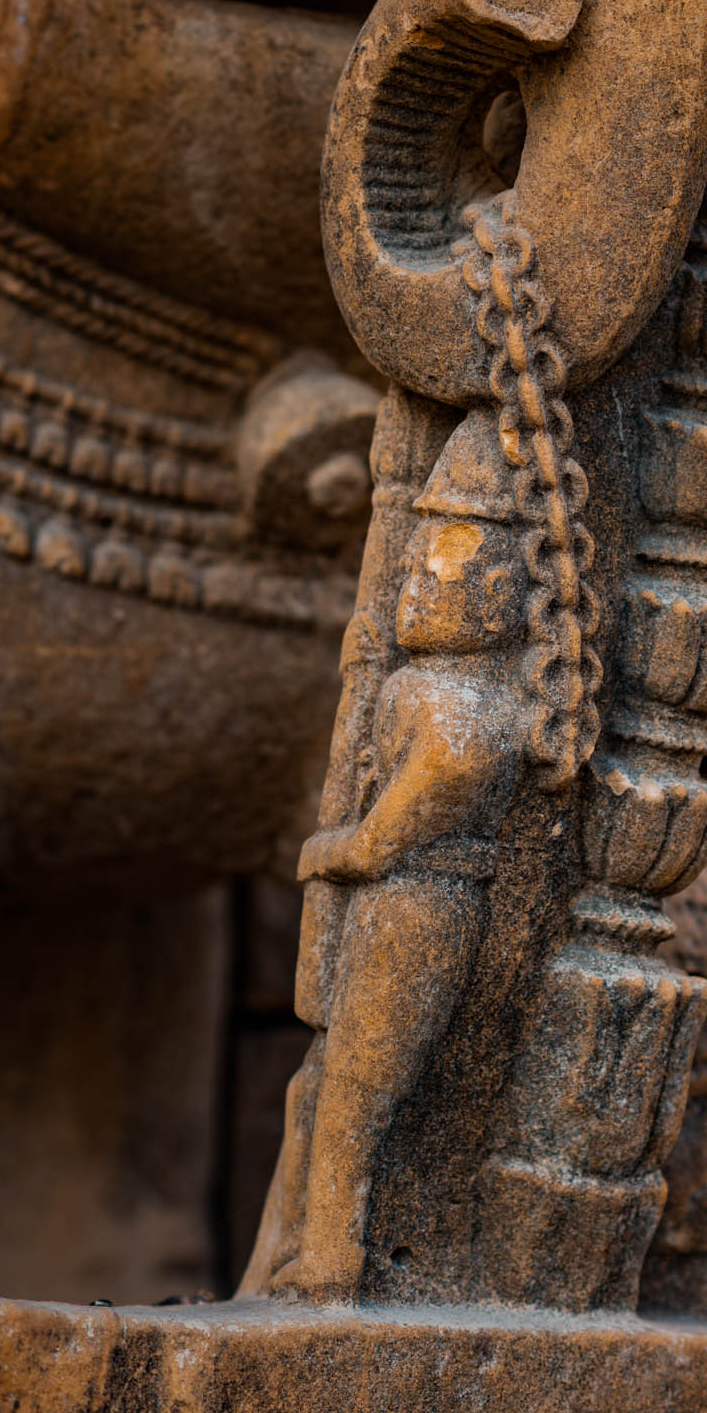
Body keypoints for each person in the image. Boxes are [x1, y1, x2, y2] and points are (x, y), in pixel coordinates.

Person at [274, 410, 532, 1298]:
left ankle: (333, 1257)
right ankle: (293, 1246)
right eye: (420, 563)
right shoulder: (422, 679)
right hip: (397, 902)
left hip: (421, 902)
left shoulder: (473, 699)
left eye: (452, 568)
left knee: (354, 1092)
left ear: (506, 601)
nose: (423, 583)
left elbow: (446, 771)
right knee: (318, 1089)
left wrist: (355, 844)